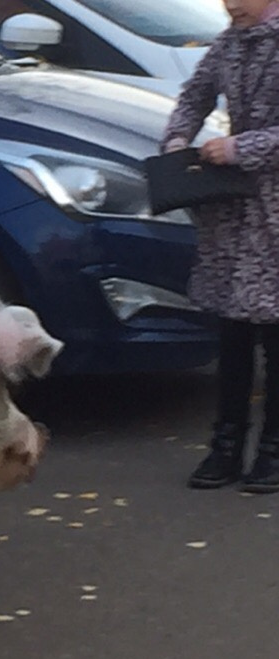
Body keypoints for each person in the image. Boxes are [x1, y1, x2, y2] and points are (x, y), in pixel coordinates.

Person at [161, 0, 279, 492]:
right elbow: (195, 94)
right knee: (231, 336)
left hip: (274, 211)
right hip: (234, 212)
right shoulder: (229, 42)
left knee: (276, 340)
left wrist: (240, 148)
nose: (229, 5)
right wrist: (177, 138)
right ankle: (225, 446)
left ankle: (273, 453)